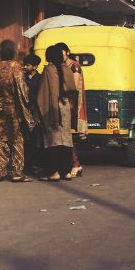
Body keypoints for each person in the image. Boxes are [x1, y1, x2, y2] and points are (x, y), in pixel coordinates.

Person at [0, 40, 33, 182]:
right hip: (13, 110)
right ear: (13, 51)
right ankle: (17, 173)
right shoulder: (15, 67)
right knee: (17, 140)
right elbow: (22, 90)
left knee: (0, 140)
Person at [36, 43, 78, 182]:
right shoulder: (67, 69)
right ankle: (66, 171)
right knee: (65, 139)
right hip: (65, 106)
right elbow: (72, 88)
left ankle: (53, 172)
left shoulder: (48, 70)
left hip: (52, 108)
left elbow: (43, 93)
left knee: (52, 140)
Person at [57, 42, 86, 178]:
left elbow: (72, 86)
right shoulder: (61, 66)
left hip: (72, 103)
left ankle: (76, 164)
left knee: (68, 136)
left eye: (62, 52)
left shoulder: (74, 66)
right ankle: (74, 164)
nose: (60, 55)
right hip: (65, 102)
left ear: (67, 52)